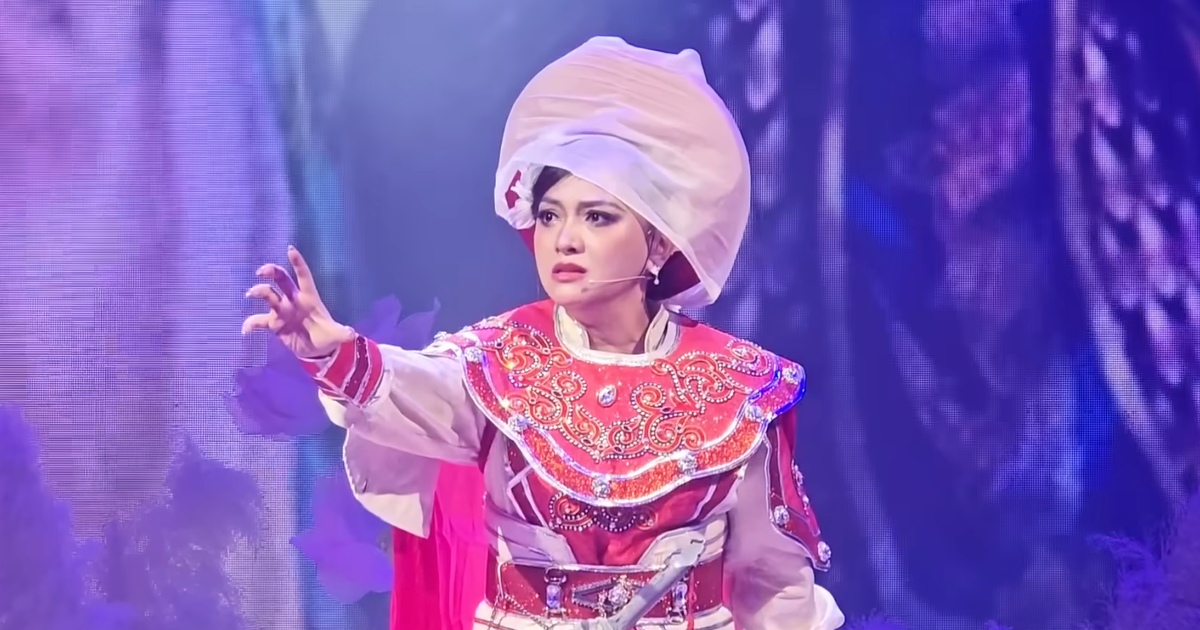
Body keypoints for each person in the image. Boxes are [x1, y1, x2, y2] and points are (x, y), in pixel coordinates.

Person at [244, 36, 844, 630]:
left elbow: (772, 581)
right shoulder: (499, 360)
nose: (565, 240)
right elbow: (411, 387)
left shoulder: (737, 389)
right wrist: (332, 351)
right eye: (551, 215)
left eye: (597, 217)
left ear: (660, 242)